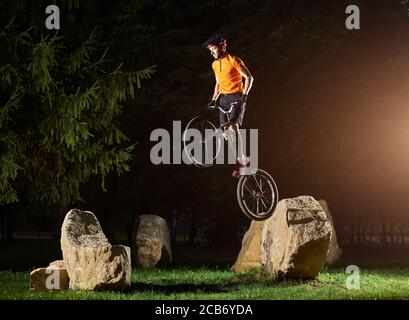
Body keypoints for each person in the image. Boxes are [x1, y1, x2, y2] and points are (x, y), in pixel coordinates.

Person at [203, 35, 254, 176]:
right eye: (210, 50)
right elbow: (218, 83)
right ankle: (239, 162)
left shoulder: (233, 60)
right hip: (224, 100)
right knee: (226, 134)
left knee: (233, 127)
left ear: (222, 46)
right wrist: (214, 99)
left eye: (213, 49)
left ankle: (244, 159)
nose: (211, 52)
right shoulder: (214, 64)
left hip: (237, 97)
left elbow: (249, 77)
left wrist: (244, 96)